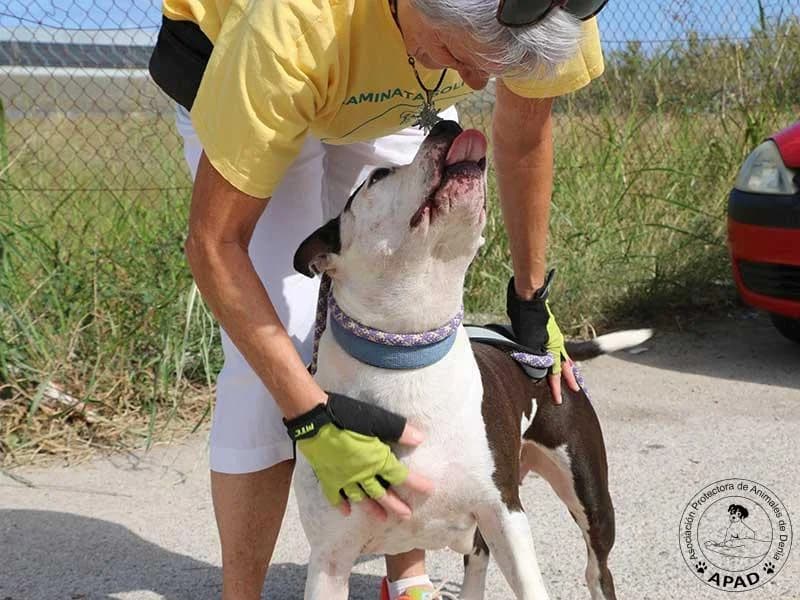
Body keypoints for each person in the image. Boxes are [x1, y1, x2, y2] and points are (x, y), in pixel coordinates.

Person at [148, 0, 607, 598]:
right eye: (464, 56)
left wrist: (530, 301)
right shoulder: (297, 24)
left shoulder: (549, 8)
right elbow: (215, 244)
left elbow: (523, 136)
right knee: (278, 349)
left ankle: (408, 577)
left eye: (496, 66)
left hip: (395, 63)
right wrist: (310, 416)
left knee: (405, 306)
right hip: (256, 63)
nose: (475, 83)